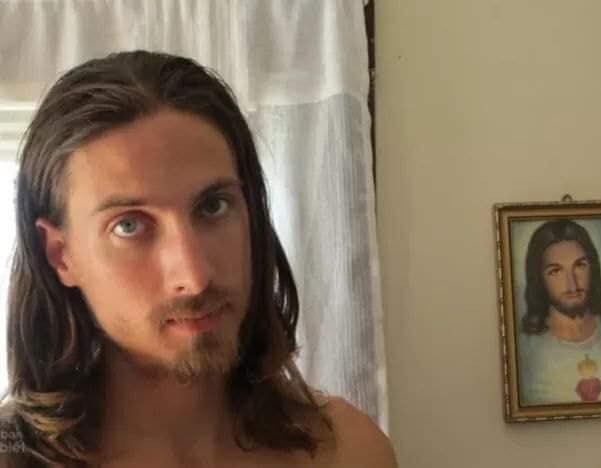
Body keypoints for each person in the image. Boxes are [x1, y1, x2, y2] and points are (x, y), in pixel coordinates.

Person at [0, 50, 397, 467]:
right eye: (129, 226)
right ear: (61, 255)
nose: (194, 275)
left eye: (213, 206)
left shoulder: (347, 450)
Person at [517, 218, 601, 406]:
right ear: (539, 279)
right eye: (555, 271)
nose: (572, 284)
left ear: (593, 268)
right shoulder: (523, 351)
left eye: (580, 265)